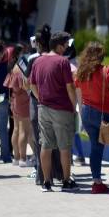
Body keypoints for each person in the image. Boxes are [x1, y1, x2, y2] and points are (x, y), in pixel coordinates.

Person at [74, 41, 109, 194]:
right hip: (107, 114)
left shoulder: (80, 73)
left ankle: (97, 182)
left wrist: (82, 118)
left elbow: (79, 98)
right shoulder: (107, 71)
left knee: (96, 147)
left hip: (87, 113)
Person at [29, 30, 79, 192]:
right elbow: (70, 87)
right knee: (64, 146)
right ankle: (66, 180)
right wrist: (74, 106)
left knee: (46, 145)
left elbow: (32, 85)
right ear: (59, 46)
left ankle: (46, 182)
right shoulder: (62, 62)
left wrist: (41, 98)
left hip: (43, 108)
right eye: (65, 45)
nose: (66, 48)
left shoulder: (37, 61)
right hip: (62, 109)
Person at [5, 44, 36, 168]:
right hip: (23, 100)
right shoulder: (21, 68)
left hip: (15, 100)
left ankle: (17, 158)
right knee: (24, 131)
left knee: (16, 129)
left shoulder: (13, 67)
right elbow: (25, 86)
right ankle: (23, 158)